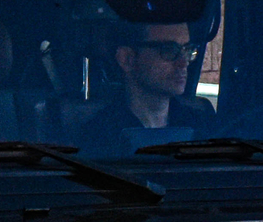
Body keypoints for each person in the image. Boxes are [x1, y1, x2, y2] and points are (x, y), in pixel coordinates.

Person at [71, 23, 215, 153]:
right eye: (169, 51)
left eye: (187, 50)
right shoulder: (98, 135)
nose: (183, 63)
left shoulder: (202, 126)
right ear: (127, 58)